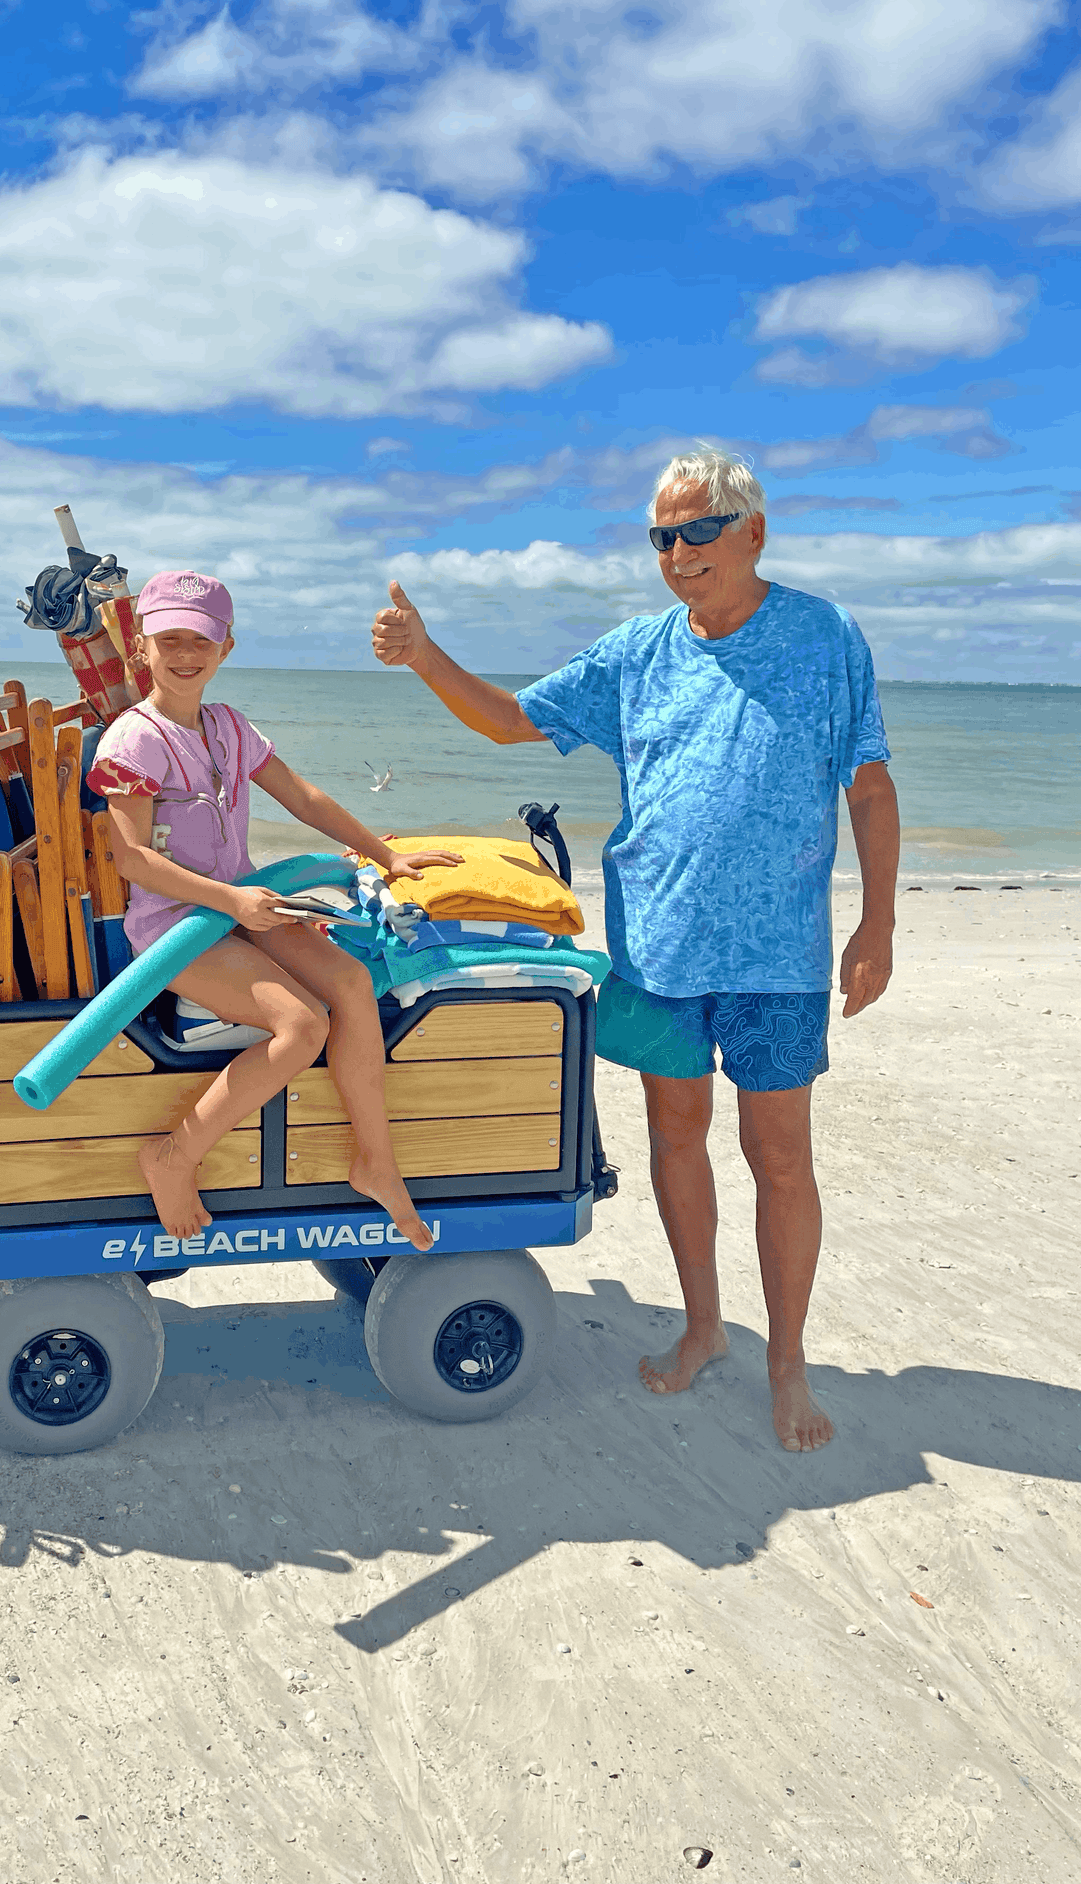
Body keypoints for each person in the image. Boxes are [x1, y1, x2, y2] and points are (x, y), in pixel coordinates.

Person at [371, 451, 900, 1452]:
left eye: (697, 530)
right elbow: (509, 722)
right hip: (656, 945)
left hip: (778, 955)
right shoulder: (633, 654)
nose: (677, 552)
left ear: (752, 531)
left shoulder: (823, 636)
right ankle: (703, 1327)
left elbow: (866, 785)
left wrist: (876, 923)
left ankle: (787, 1363)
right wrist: (426, 656)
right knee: (674, 1138)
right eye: (661, 536)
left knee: (779, 1157)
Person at [90, 568, 461, 1250]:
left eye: (199, 638)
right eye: (168, 637)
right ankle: (174, 1155)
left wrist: (385, 854)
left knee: (352, 982)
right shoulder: (132, 740)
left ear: (225, 647)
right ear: (141, 646)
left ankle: (375, 1162)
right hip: (176, 928)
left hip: (245, 905)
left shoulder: (229, 727)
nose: (184, 652)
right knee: (301, 1025)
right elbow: (132, 860)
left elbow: (304, 797)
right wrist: (232, 899)